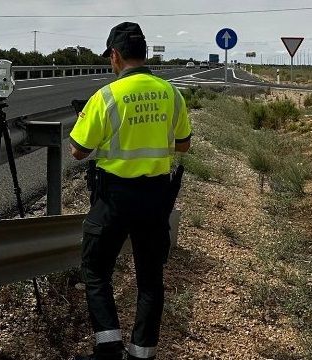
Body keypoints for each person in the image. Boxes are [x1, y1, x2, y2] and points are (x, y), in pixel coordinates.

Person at [69, 22, 192, 360]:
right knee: (150, 279)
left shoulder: (106, 96)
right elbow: (183, 144)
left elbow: (78, 149)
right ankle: (142, 354)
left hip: (114, 197)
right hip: (155, 197)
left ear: (116, 56)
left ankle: (108, 348)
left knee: (95, 269)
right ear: (145, 54)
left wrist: (87, 121)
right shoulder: (171, 93)